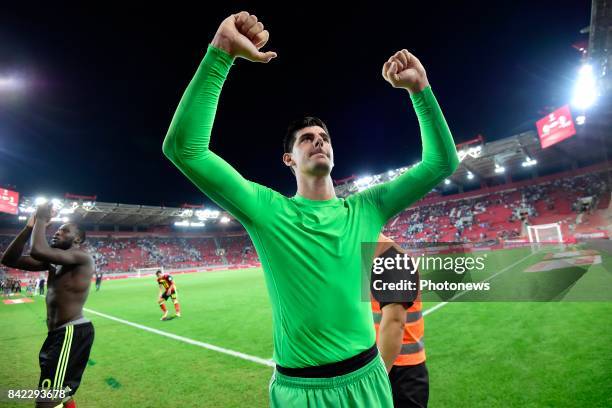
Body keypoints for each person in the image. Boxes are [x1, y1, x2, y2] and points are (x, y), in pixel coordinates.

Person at [163, 11, 458, 406]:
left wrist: (420, 90)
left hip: (368, 380)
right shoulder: (268, 211)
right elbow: (185, 149)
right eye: (306, 138)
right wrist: (221, 55)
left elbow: (441, 162)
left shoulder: (367, 208)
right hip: (300, 391)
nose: (318, 141)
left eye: (323, 136)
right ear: (289, 159)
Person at [0, 204, 95, 408]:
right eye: (58, 228)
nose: (58, 232)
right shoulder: (54, 262)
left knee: (46, 400)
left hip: (71, 332)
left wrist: (42, 218)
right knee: (61, 393)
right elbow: (8, 259)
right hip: (57, 335)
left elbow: (38, 249)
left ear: (77, 239)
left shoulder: (81, 256)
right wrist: (28, 227)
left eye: (64, 230)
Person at [372, 235, 429, 407]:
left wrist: (377, 379)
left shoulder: (393, 259)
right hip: (385, 363)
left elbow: (395, 322)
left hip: (400, 370)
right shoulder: (370, 258)